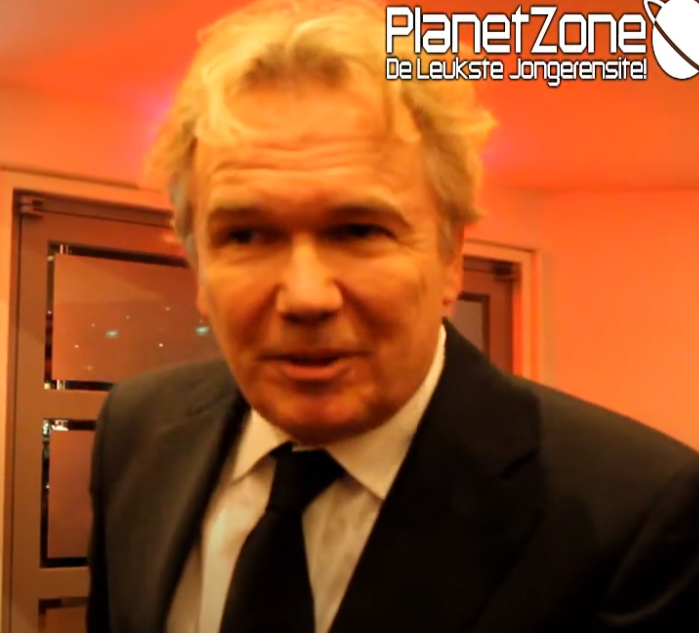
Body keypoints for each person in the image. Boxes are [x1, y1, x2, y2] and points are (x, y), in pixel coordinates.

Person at [86, 0, 699, 631]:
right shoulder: (137, 431)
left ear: (451, 257)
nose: (305, 296)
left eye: (358, 230)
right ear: (196, 263)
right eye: (245, 236)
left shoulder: (634, 514)